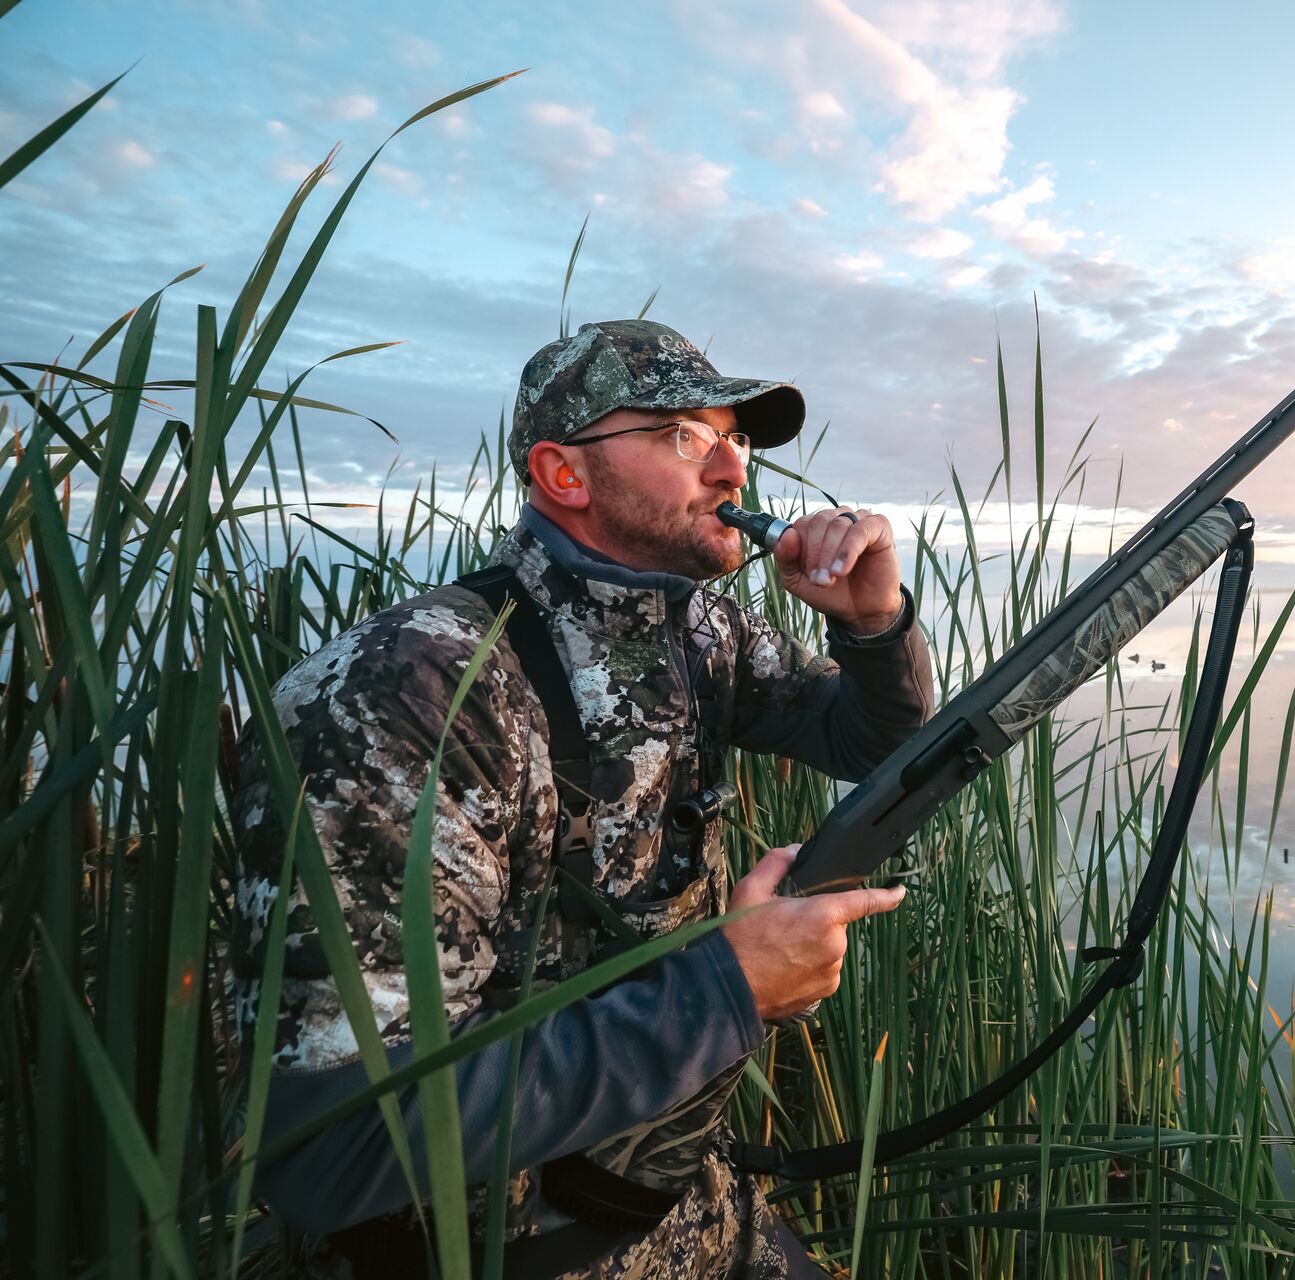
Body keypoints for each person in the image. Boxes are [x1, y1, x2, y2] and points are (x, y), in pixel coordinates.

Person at [230, 319, 936, 1277]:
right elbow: (339, 1140)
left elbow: (875, 745)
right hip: (512, 1252)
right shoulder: (413, 689)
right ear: (565, 475)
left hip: (688, 1204)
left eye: (737, 439)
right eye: (687, 436)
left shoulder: (702, 628)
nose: (734, 471)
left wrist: (874, 628)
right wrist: (728, 990)